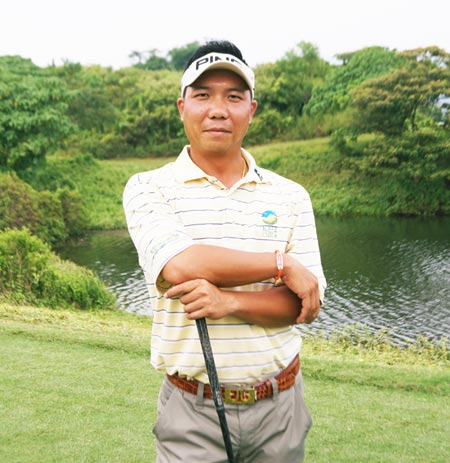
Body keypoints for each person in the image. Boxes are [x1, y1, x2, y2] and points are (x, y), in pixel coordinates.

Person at [123, 40, 326, 463]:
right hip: (191, 408)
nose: (218, 110)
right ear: (182, 108)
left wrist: (227, 301)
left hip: (281, 405)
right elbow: (180, 264)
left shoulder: (291, 196)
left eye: (234, 97)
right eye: (203, 95)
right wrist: (280, 264)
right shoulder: (148, 187)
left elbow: (303, 303)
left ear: (251, 110)